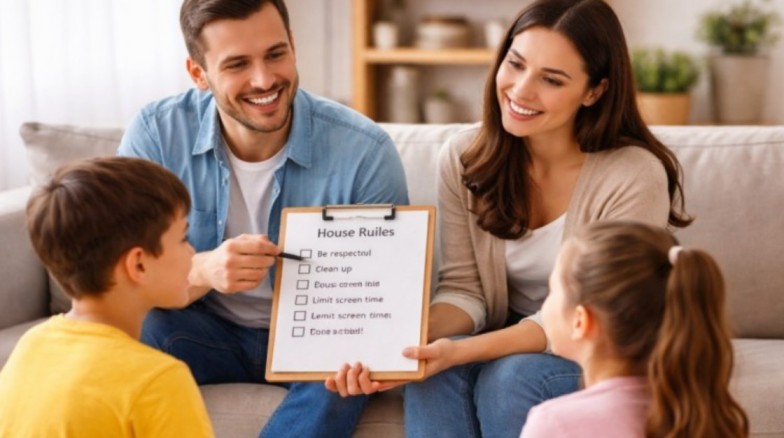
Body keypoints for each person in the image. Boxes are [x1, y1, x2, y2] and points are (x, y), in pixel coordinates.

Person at [327, 0, 691, 436]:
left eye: (551, 80)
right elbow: (465, 291)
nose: (520, 90)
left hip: (603, 350)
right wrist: (396, 339)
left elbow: (593, 314)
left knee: (510, 377)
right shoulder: (465, 158)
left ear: (594, 91)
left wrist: (462, 352)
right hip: (514, 344)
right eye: (515, 64)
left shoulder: (632, 175)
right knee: (431, 373)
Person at [117, 0, 408, 436]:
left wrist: (366, 343)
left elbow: (388, 300)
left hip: (320, 341)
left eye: (276, 54)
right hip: (203, 328)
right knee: (136, 332)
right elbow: (120, 273)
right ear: (199, 74)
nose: (264, 79)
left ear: (293, 45)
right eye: (237, 64)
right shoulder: (158, 134)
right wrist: (203, 269)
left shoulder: (365, 152)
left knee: (345, 368)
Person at [0, 157, 213, 437]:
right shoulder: (157, 381)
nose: (191, 253)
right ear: (138, 264)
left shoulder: (31, 345)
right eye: (183, 239)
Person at [521, 221, 749, 438]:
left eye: (552, 291)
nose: (546, 304)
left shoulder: (556, 424)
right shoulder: (704, 417)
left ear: (581, 320)